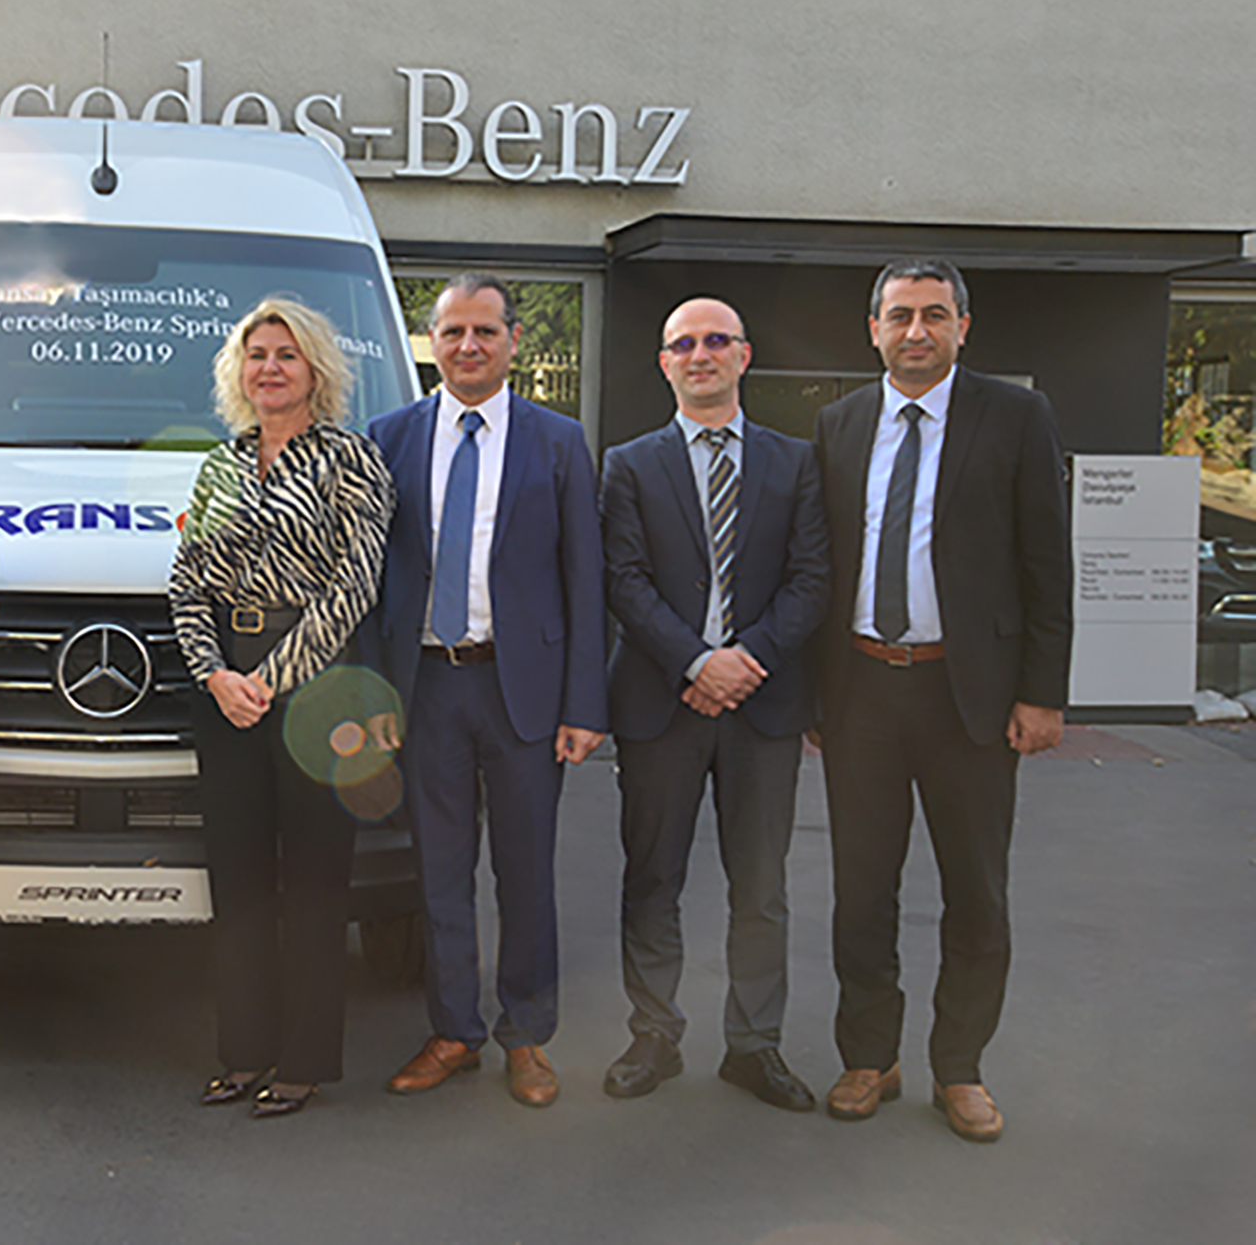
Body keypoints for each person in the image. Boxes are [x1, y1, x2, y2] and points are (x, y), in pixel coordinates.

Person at [812, 258, 1071, 1142]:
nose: (915, 331)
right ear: (873, 330)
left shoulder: (1016, 416)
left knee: (977, 891)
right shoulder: (840, 423)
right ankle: (868, 1056)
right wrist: (815, 696)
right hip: (861, 692)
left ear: (964, 325)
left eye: (933, 314)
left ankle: (960, 1067)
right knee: (861, 891)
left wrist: (1042, 693)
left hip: (971, 698)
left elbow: (1047, 563)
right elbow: (824, 562)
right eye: (899, 315)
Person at [365, 273, 608, 1108]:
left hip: (522, 689)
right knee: (438, 871)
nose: (468, 346)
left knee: (525, 869)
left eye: (485, 332)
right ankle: (453, 1030)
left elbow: (585, 578)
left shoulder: (558, 440)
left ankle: (526, 1034)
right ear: (431, 342)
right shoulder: (388, 437)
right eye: (452, 332)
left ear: (512, 341)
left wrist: (584, 705)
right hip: (425, 686)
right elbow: (370, 583)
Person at [599, 298, 830, 1111]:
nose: (700, 354)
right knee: (651, 877)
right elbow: (624, 579)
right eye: (683, 343)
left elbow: (813, 578)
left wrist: (744, 660)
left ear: (744, 354)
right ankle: (653, 1035)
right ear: (665, 362)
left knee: (761, 887)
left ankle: (753, 1045)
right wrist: (697, 661)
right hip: (660, 702)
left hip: (764, 707)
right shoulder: (628, 464)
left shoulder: (797, 463)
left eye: (715, 341)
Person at [168, 297, 394, 1118]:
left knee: (314, 883)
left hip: (318, 691)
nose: (269, 367)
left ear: (315, 370)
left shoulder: (351, 459)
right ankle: (242, 1053)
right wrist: (216, 674)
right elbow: (187, 581)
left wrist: (271, 677)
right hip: (227, 692)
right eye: (257, 354)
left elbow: (354, 585)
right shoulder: (219, 467)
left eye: (286, 354)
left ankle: (302, 1060)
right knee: (239, 882)